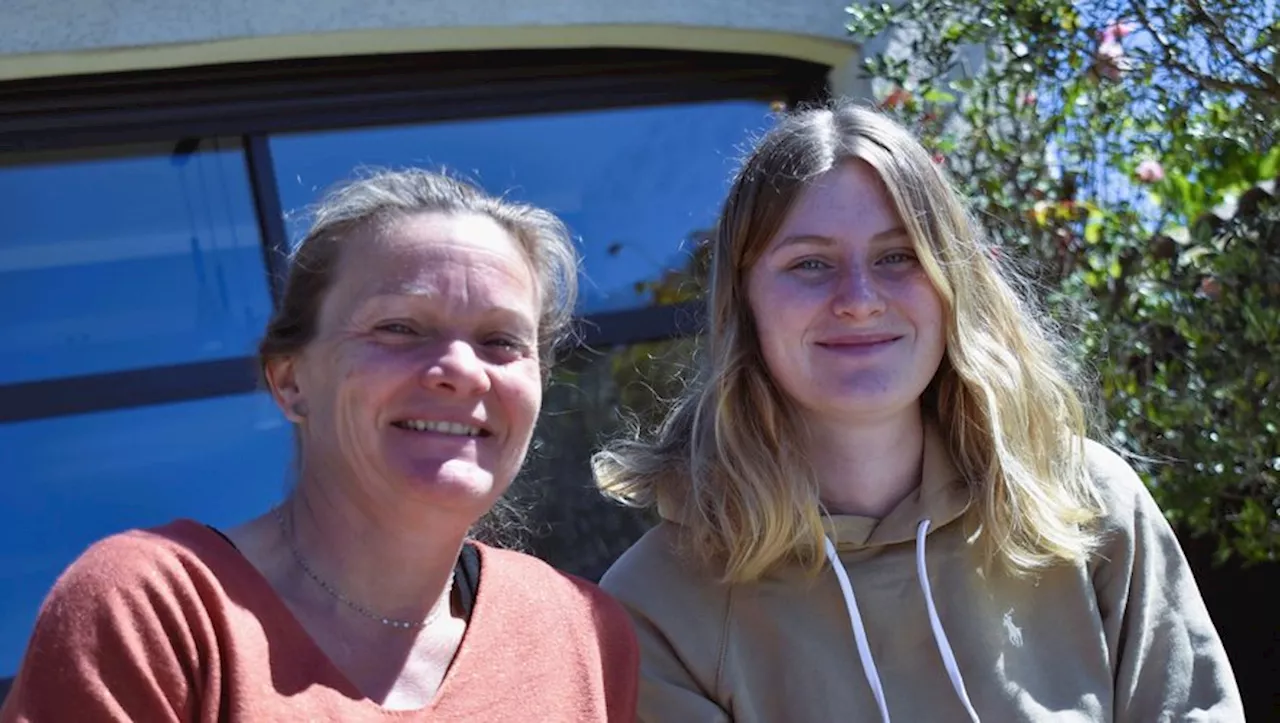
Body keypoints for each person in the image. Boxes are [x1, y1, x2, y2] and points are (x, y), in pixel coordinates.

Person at [593, 103, 1243, 722]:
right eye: (810, 263)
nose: (858, 298)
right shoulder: (655, 604)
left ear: (951, 282)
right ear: (745, 302)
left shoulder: (1085, 504)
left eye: (897, 256)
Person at [1, 169, 639, 722]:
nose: (464, 370)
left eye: (501, 340)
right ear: (291, 381)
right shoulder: (157, 613)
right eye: (400, 327)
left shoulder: (581, 631)